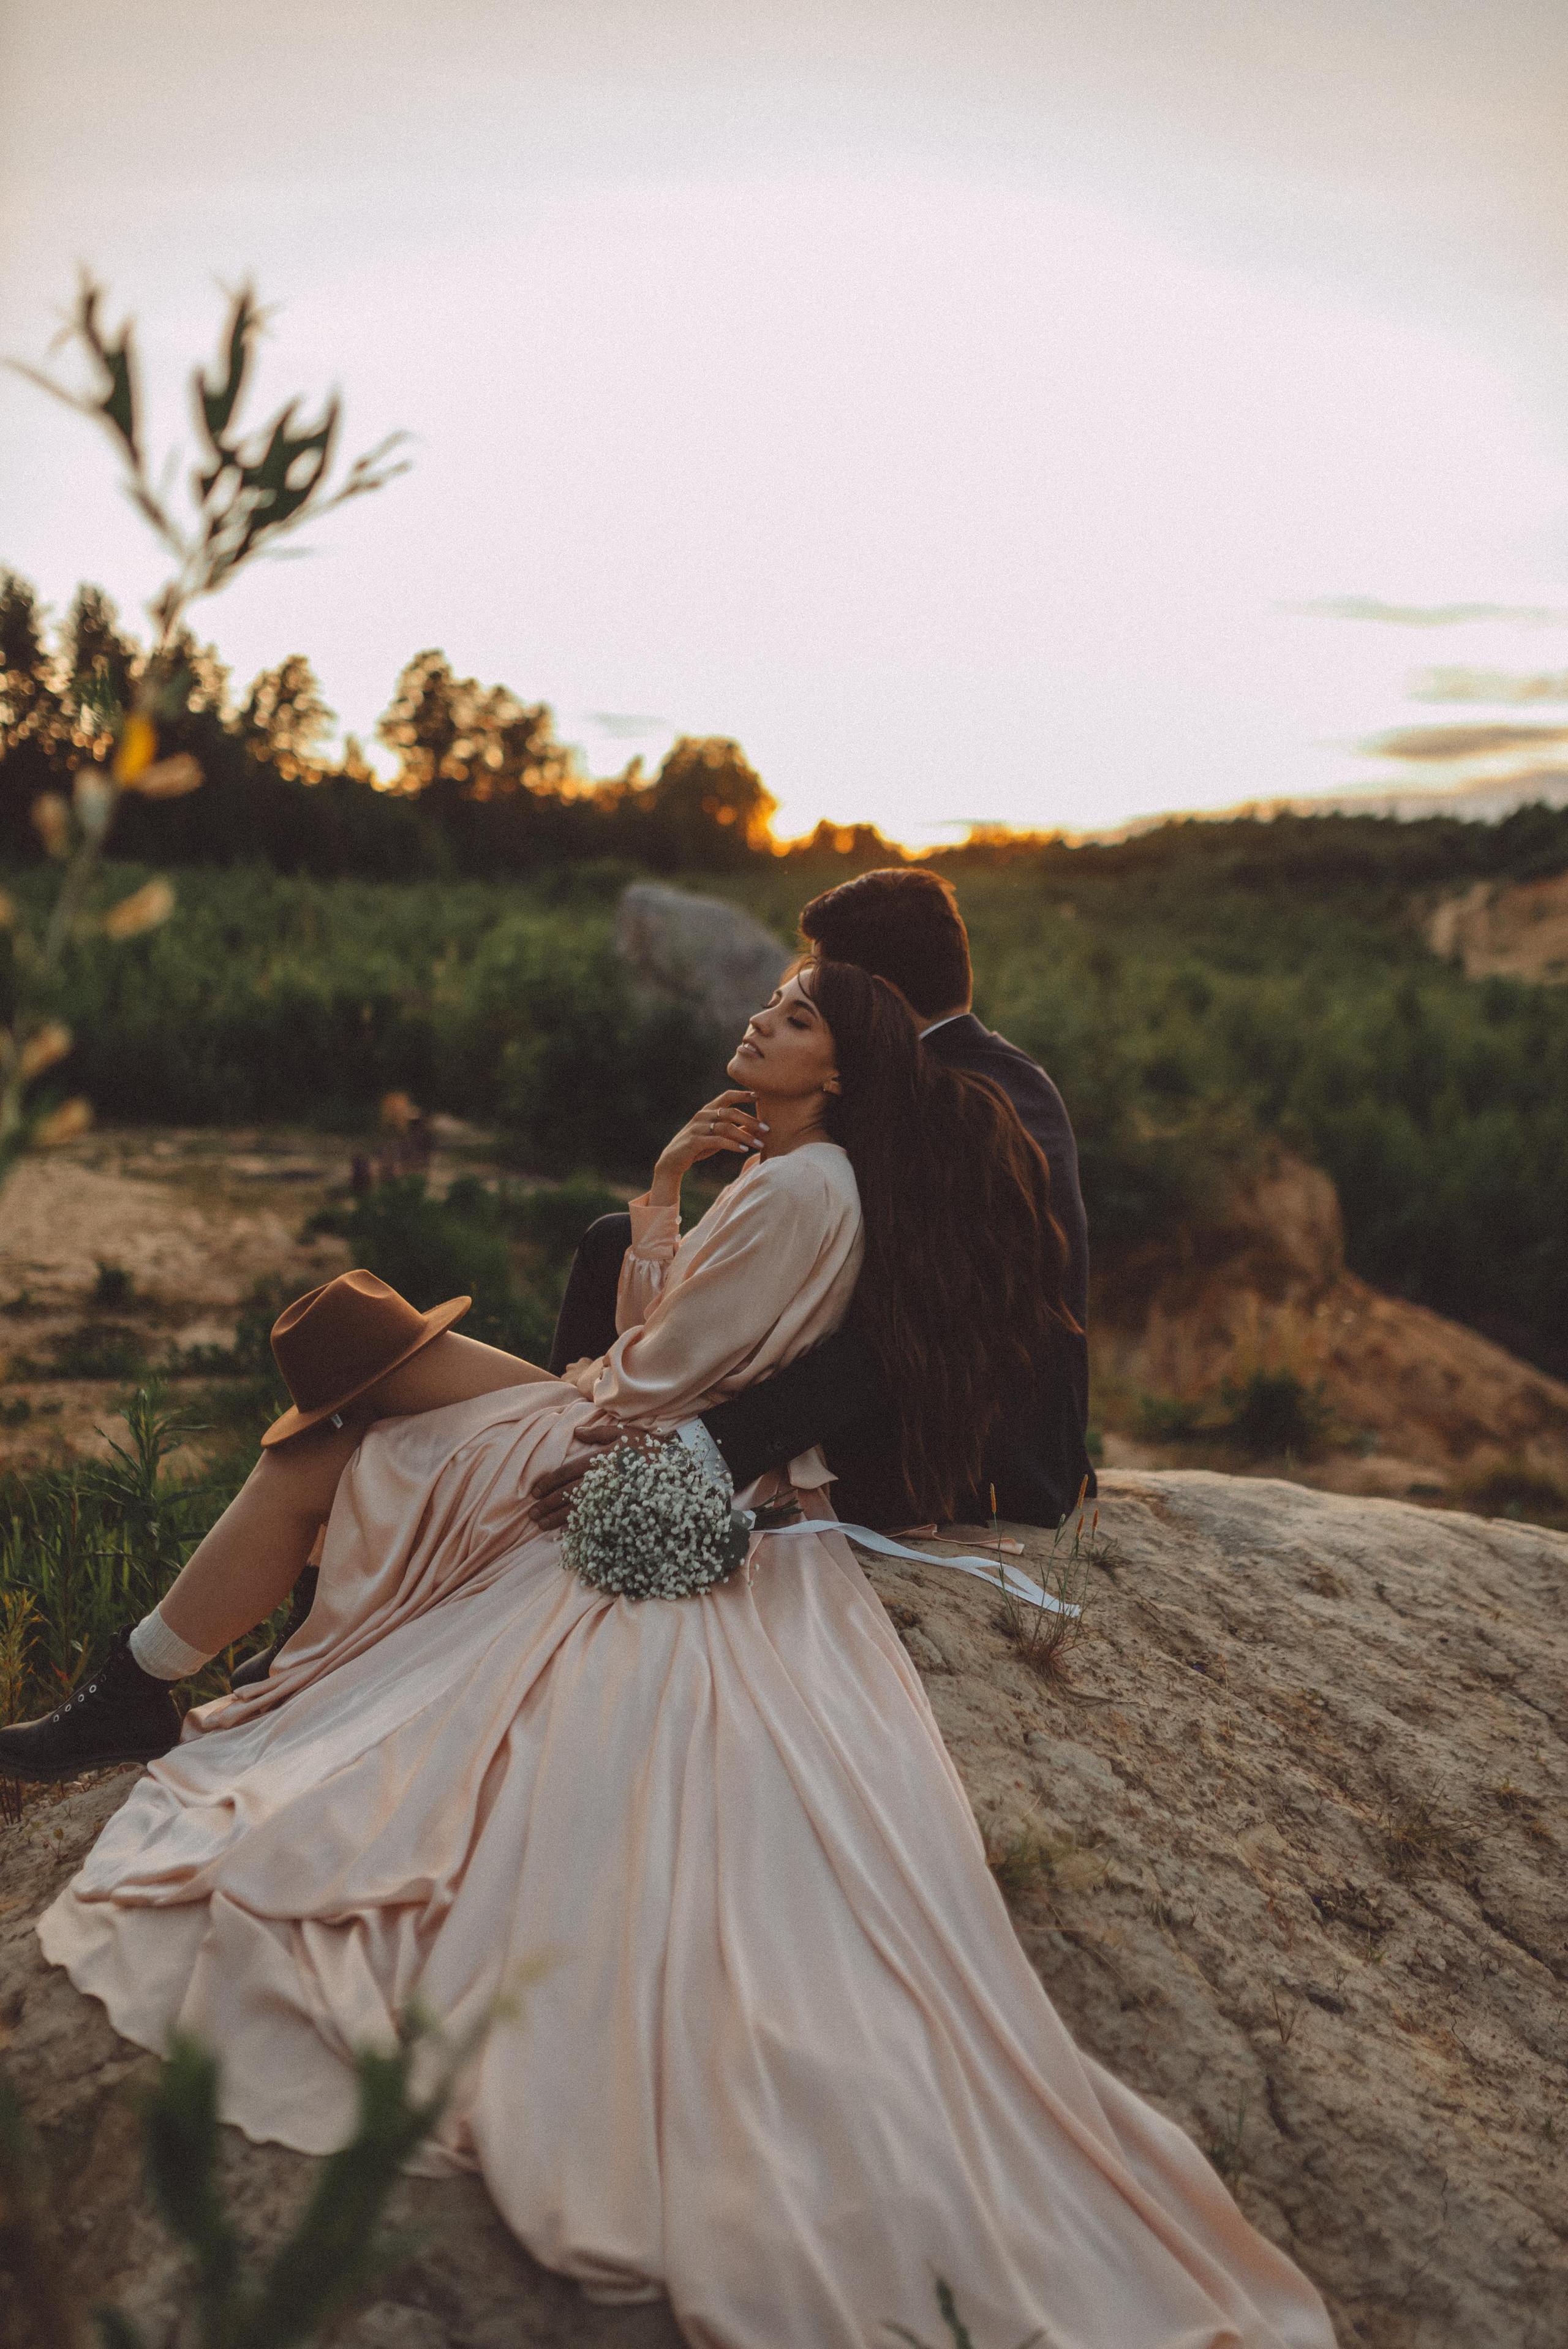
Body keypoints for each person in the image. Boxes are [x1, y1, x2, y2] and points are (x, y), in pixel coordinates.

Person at [13, 961, 1334, 2349]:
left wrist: (647, 1252)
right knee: (355, 1396)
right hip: (641, 1421)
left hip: (616, 1444)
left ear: (836, 1067)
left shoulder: (796, 1189)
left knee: (334, 1437)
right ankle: (162, 1663)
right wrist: (661, 1193)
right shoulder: (805, 1177)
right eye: (772, 1003)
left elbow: (646, 1374)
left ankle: (138, 1681)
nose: (763, 1020)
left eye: (797, 1016)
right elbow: (677, 1351)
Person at [542, 866, 1093, 1536]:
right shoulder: (996, 1070)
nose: (772, 1014)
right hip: (896, 1390)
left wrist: (685, 1458)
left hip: (965, 1461)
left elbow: (890, 1339)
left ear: (874, 1000)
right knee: (611, 1241)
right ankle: (567, 1435)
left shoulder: (960, 1110)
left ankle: (575, 1460)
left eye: (818, 994)